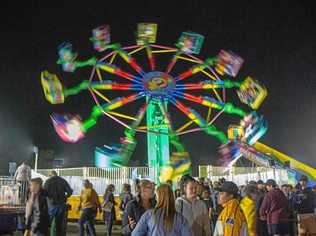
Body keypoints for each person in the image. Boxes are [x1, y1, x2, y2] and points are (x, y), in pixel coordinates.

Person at [43, 170, 73, 236]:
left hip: (51, 206)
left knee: (49, 224)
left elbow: (44, 193)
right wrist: (65, 197)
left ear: (50, 175)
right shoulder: (63, 181)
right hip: (61, 205)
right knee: (60, 225)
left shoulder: (48, 181)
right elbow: (70, 191)